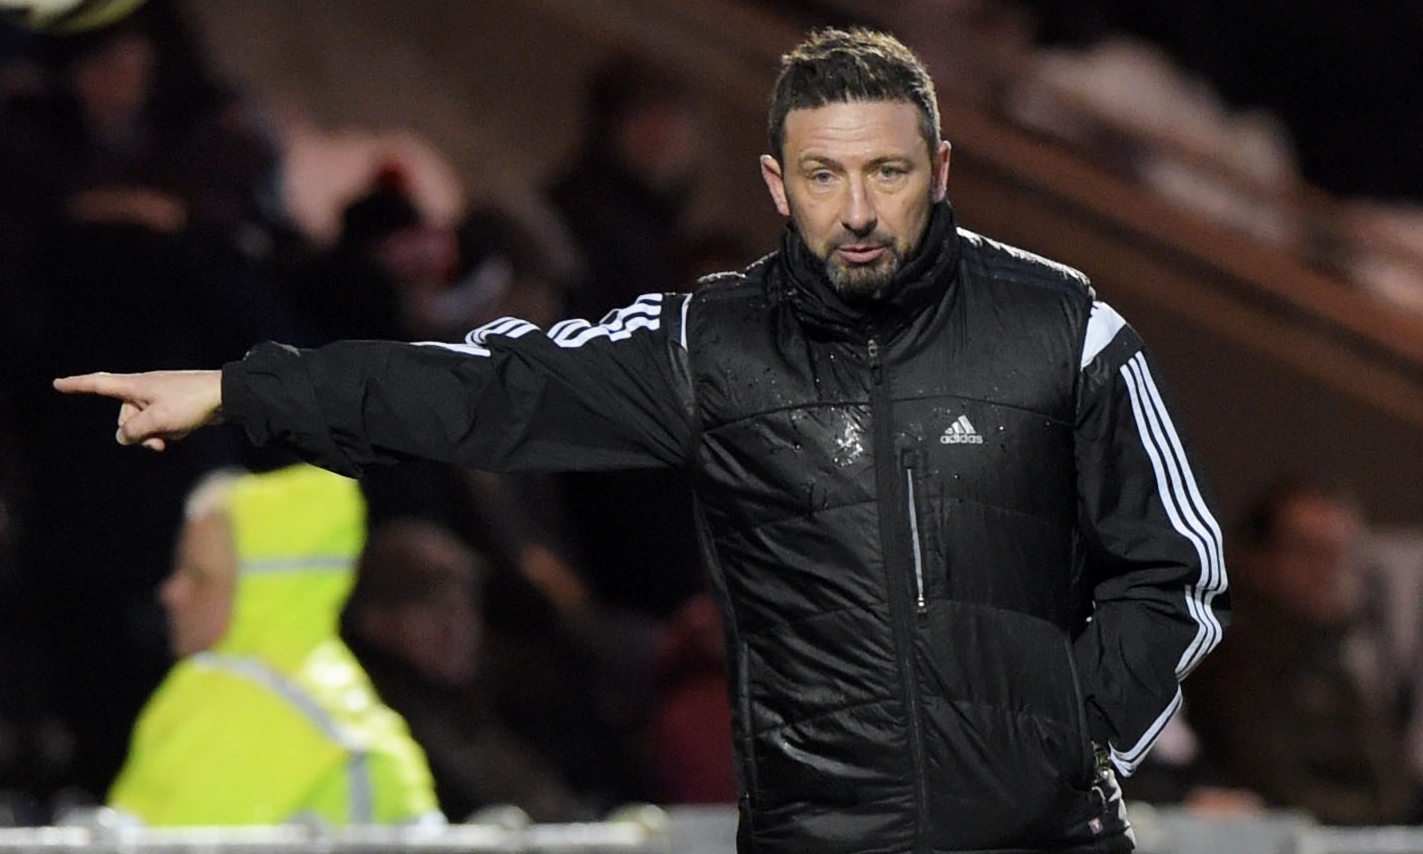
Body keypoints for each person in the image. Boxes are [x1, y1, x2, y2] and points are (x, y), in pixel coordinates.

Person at [56, 27, 1228, 853]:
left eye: (889, 171)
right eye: (825, 175)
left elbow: (1176, 564)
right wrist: (246, 388)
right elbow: (494, 387)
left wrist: (1071, 748)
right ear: (775, 182)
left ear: (940, 170)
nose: (859, 209)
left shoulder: (1062, 328)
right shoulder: (710, 343)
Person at [106, 463, 441, 826]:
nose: (171, 592)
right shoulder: (323, 691)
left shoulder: (236, 700)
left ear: (257, 592)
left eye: (198, 575)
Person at [1184, 476, 1423, 825]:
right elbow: (1277, 789)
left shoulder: (1329, 651)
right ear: (1257, 558)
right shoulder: (1230, 656)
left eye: (1338, 555)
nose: (1326, 572)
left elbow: (1387, 772)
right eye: (1307, 551)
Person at [340, 516, 593, 823]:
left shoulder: (517, 685)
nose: (455, 629)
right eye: (430, 610)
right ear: (375, 623)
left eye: (462, 606)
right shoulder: (370, 717)